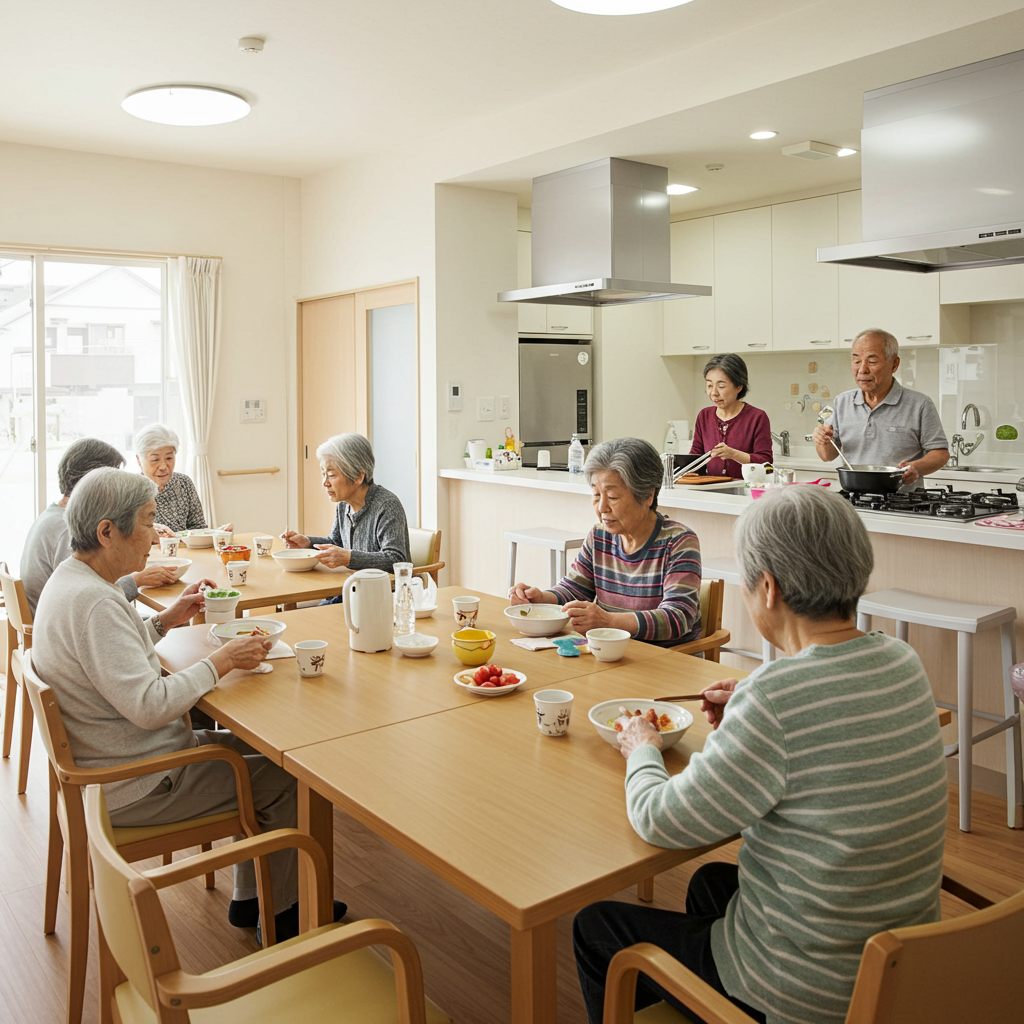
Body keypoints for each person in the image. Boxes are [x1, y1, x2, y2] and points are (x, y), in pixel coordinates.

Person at [572, 485, 947, 1024]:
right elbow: (822, 741)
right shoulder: (902, 660)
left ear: (767, 588)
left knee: (596, 926)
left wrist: (642, 748)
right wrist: (749, 709)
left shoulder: (774, 697)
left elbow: (660, 819)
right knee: (710, 884)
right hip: (899, 961)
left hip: (810, 992)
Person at [30, 467, 343, 941]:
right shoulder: (94, 604)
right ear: (107, 531)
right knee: (291, 777)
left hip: (115, 764)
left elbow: (112, 659)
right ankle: (282, 917)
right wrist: (221, 661)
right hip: (136, 782)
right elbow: (150, 704)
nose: (156, 536)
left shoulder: (73, 582)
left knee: (243, 741)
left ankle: (251, 900)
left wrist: (167, 620)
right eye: (149, 521)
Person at [509, 437, 701, 646]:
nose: (601, 507)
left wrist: (609, 621)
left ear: (647, 495)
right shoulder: (600, 535)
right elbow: (575, 589)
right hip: (611, 653)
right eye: (596, 494)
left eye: (613, 496)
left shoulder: (679, 541)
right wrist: (541, 599)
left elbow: (677, 618)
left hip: (666, 661)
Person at [20, 437, 178, 615]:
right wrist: (137, 580)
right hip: (65, 623)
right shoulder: (68, 528)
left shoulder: (53, 515)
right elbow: (87, 597)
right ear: (90, 482)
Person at [812, 329, 949, 488]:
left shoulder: (919, 404)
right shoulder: (842, 402)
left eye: (871, 362)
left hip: (903, 504)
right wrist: (822, 441)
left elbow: (940, 454)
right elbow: (827, 456)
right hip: (854, 501)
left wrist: (916, 468)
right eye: (856, 361)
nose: (862, 369)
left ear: (894, 364)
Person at [280, 432, 410, 582]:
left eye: (331, 475)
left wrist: (349, 558)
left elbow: (396, 560)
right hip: (350, 587)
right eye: (323, 474)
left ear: (358, 476)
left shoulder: (386, 505)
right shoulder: (344, 505)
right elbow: (336, 543)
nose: (325, 482)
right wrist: (307, 543)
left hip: (382, 594)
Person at [134, 422, 232, 536]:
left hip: (184, 551)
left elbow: (198, 527)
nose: (163, 467)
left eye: (169, 458)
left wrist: (215, 533)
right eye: (155, 460)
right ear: (139, 460)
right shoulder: (131, 490)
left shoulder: (183, 483)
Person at [689, 354, 772, 479]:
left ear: (739, 386)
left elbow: (766, 462)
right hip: (710, 488)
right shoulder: (704, 415)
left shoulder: (757, 417)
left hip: (745, 488)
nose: (713, 393)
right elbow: (696, 457)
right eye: (709, 385)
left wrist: (733, 454)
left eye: (721, 386)